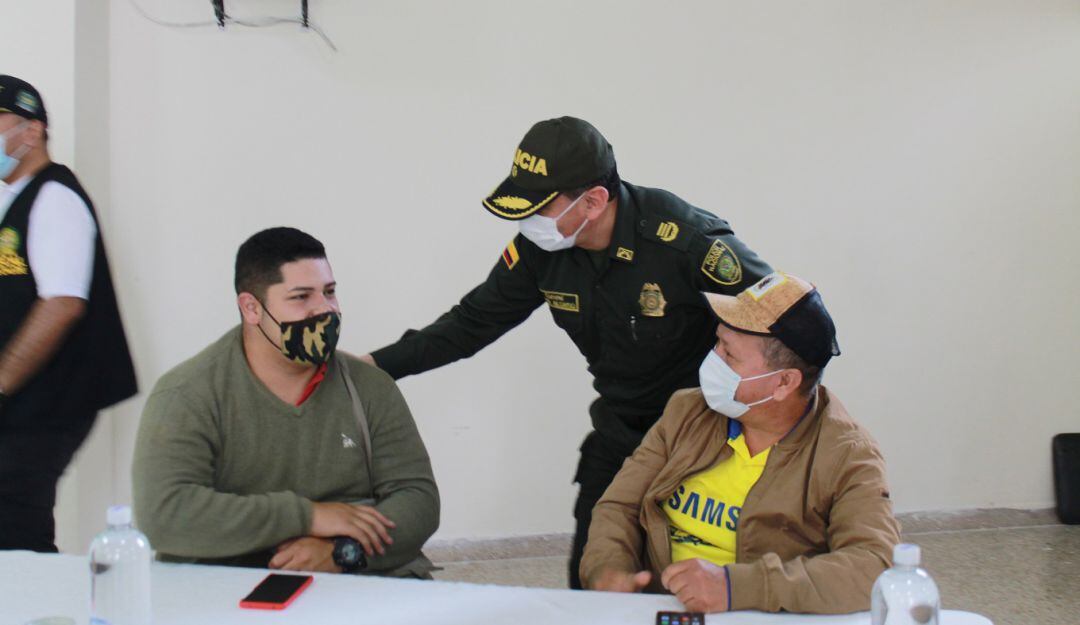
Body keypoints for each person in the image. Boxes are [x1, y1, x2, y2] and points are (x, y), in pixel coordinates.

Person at [362, 116, 773, 588]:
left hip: (706, 437)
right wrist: (376, 366)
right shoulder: (541, 251)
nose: (527, 221)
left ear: (594, 201)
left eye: (539, 207)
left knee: (690, 583)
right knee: (592, 577)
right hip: (621, 429)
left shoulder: (683, 239)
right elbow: (472, 323)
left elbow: (784, 318)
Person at [580, 272, 900, 613]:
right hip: (664, 608)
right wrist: (609, 566)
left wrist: (736, 588)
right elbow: (620, 505)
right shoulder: (687, 411)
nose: (713, 360)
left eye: (729, 355)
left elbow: (875, 565)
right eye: (717, 342)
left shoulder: (847, 454)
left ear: (783, 383)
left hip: (762, 614)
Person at [132, 227, 439, 577]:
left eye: (329, 292)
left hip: (359, 578)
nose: (324, 310)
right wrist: (310, 516)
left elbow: (418, 500)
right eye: (301, 297)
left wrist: (341, 553)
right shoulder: (187, 395)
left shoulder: (368, 386)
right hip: (231, 585)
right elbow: (165, 515)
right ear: (251, 308)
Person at [0, 75, 137, 552]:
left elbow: (62, 304)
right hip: (24, 400)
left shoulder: (56, 198)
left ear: (31, 131)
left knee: (16, 524)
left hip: (48, 401)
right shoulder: (14, 199)